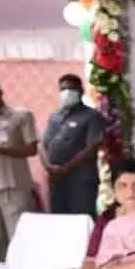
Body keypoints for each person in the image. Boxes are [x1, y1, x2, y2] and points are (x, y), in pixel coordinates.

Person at [40, 73, 105, 216]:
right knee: (59, 222)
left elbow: (92, 148)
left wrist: (65, 168)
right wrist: (49, 168)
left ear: (81, 91)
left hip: (80, 181)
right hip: (56, 181)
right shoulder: (54, 116)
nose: (66, 93)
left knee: (81, 221)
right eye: (62, 90)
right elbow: (42, 145)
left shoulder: (91, 116)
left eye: (71, 89)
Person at [0, 80, 38, 261]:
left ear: (0, 92)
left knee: (18, 237)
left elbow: (31, 149)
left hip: (14, 186)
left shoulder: (21, 116)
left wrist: (1, 149)